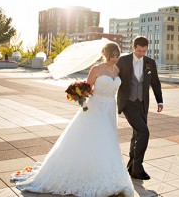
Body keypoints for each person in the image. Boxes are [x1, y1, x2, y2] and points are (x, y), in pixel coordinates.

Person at [12, 42, 134, 197]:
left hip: (110, 107)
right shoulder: (96, 69)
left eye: (117, 56)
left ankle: (107, 172)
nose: (115, 59)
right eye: (112, 56)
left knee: (109, 140)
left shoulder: (116, 70)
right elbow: (87, 88)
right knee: (95, 139)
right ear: (106, 55)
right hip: (96, 107)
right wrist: (79, 94)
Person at [116, 36, 163, 180]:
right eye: (139, 51)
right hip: (128, 103)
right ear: (133, 47)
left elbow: (155, 83)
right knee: (144, 132)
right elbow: (112, 76)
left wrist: (159, 101)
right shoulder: (123, 60)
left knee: (137, 134)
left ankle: (131, 167)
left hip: (142, 104)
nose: (141, 54)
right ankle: (138, 166)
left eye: (144, 51)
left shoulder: (150, 63)